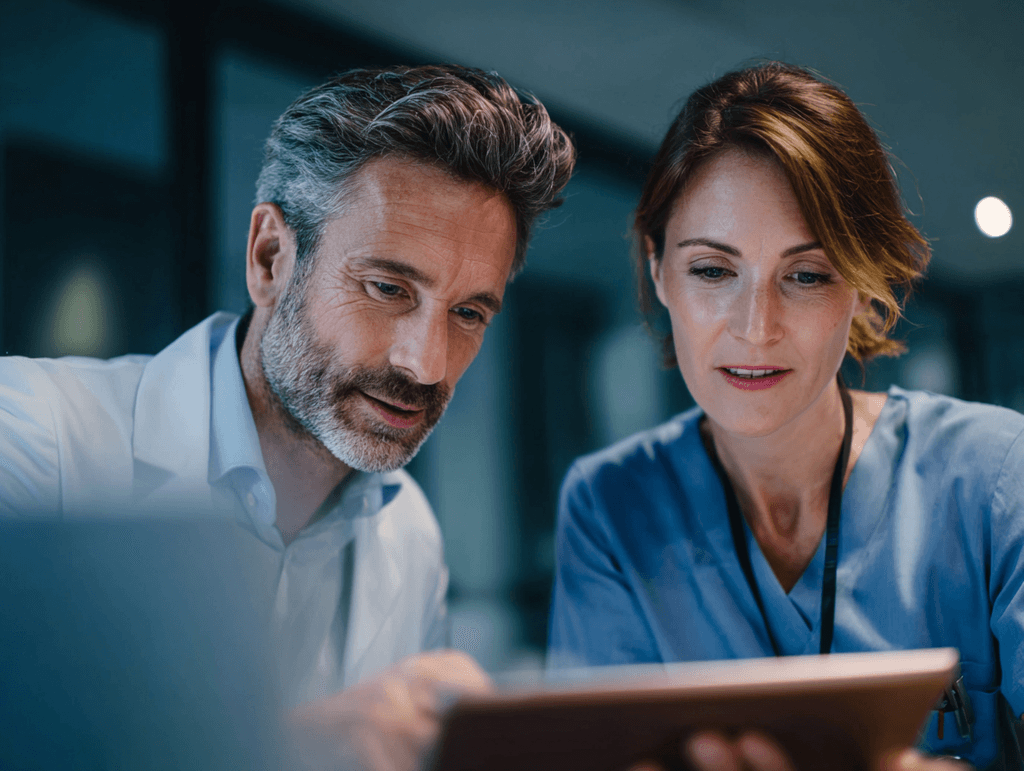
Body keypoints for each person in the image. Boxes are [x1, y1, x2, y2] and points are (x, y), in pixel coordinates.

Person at [0, 64, 575, 770]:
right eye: (387, 287)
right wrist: (293, 748)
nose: (427, 364)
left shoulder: (410, 532)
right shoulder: (29, 435)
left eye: (468, 313)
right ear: (270, 258)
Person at [548, 61, 1024, 770]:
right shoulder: (611, 505)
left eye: (806, 275)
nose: (756, 327)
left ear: (861, 285)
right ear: (658, 271)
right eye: (713, 270)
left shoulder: (995, 475)